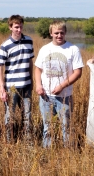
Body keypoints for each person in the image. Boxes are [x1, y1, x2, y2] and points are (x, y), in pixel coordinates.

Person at [34, 20, 84, 148]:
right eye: (56, 33)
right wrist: (38, 85)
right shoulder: (45, 49)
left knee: (66, 127)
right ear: (51, 33)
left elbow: (78, 72)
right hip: (45, 96)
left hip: (64, 97)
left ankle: (67, 154)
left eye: (62, 33)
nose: (59, 35)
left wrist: (62, 86)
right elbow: (38, 69)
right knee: (47, 127)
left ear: (65, 33)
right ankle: (47, 152)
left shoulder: (73, 49)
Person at [0, 15, 34, 142]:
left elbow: (30, 63)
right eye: (16, 27)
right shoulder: (5, 46)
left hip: (27, 85)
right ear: (10, 27)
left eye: (21, 26)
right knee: (10, 115)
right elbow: (0, 69)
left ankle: (28, 140)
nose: (19, 29)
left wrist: (32, 81)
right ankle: (9, 140)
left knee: (27, 115)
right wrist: (2, 88)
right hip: (11, 86)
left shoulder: (29, 41)